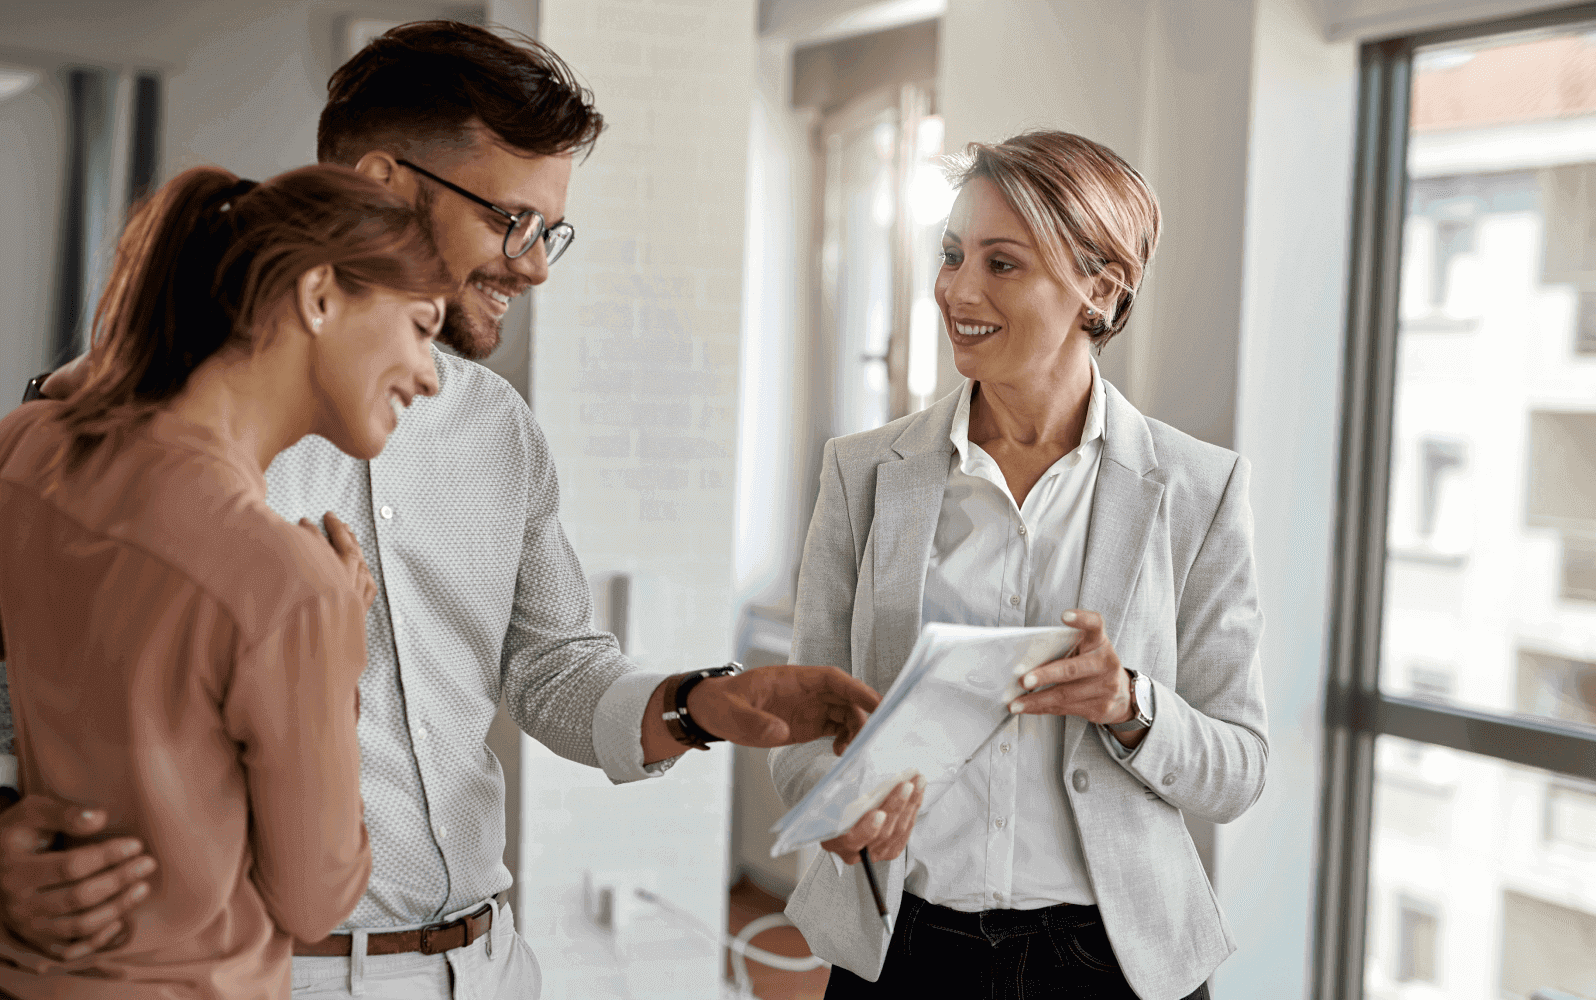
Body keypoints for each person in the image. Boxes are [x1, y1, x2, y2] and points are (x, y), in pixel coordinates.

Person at [0, 21, 880, 1000]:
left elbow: (549, 664)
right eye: (513, 221)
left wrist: (698, 703)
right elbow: (29, 683)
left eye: (550, 230)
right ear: (382, 183)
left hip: (485, 963)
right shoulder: (114, 429)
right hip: (265, 975)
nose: (537, 265)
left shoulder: (499, 428)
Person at [769, 130, 1269, 1000]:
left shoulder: (1199, 488)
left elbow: (1239, 768)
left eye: (1003, 264)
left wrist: (1131, 706)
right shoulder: (862, 473)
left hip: (1112, 962)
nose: (956, 290)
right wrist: (838, 804)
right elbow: (808, 721)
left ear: (1100, 289)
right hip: (905, 949)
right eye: (953, 254)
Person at [0, 162, 459, 997]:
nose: (432, 374)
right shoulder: (294, 590)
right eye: (422, 327)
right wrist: (339, 654)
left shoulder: (26, 450)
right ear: (318, 296)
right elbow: (315, 897)